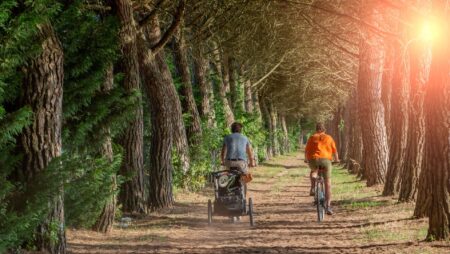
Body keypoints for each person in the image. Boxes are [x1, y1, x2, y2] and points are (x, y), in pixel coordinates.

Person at [304, 122, 340, 215]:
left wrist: (306, 159)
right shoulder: (329, 138)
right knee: (327, 183)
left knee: (313, 170)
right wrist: (337, 160)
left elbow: (306, 150)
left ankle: (312, 187)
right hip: (325, 161)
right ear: (324, 130)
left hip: (313, 159)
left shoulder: (312, 137)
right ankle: (328, 206)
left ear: (316, 130)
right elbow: (335, 151)